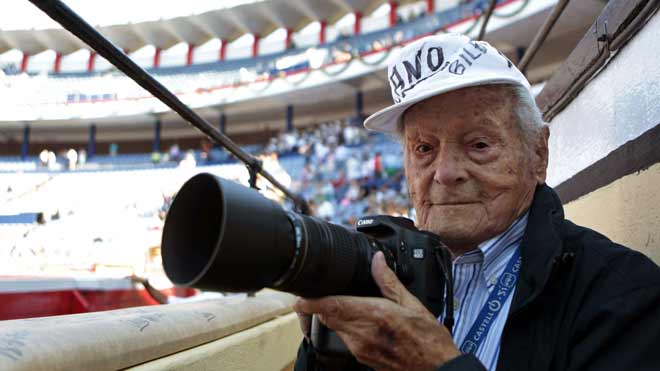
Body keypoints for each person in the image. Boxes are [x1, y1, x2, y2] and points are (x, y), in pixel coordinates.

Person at [293, 34, 660, 370]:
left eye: (479, 145)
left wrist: (437, 366)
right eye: (424, 148)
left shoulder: (621, 294)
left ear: (538, 155)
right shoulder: (388, 272)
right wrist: (324, 355)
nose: (445, 173)